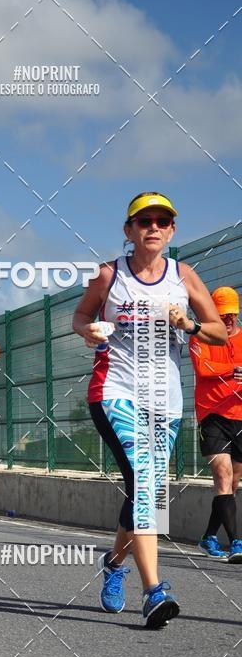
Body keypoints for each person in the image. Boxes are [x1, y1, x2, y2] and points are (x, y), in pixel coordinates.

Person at [73, 192, 226, 628]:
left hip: (166, 400)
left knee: (150, 494)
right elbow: (79, 316)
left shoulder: (185, 276)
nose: (153, 227)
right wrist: (90, 330)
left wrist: (189, 324)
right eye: (144, 221)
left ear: (172, 230)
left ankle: (114, 563)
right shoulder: (109, 275)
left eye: (162, 221)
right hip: (115, 390)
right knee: (146, 483)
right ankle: (154, 591)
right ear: (129, 231)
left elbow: (216, 331)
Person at [190, 286, 242, 563]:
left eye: (232, 313)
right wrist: (234, 371)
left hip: (240, 417)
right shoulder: (200, 336)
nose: (229, 319)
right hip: (211, 416)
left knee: (232, 483)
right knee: (222, 477)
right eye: (223, 314)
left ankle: (209, 536)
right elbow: (203, 368)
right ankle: (237, 542)